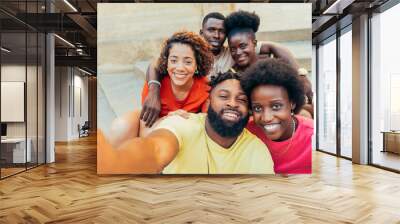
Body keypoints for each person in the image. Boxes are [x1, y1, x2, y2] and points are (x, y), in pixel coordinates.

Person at [141, 12, 302, 127]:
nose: (216, 35)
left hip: (214, 105)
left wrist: (301, 75)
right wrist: (154, 90)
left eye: (221, 31)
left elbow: (272, 46)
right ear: (202, 32)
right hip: (194, 106)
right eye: (211, 30)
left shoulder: (233, 52)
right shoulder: (192, 51)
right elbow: (156, 62)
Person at [98, 71, 275, 174]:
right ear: (208, 102)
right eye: (223, 96)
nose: (232, 103)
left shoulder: (256, 151)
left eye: (242, 100)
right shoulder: (183, 124)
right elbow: (156, 149)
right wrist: (118, 160)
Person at [108, 31, 213, 146]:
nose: (180, 68)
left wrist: (185, 120)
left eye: (188, 62)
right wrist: (169, 120)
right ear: (166, 62)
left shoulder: (205, 88)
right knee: (120, 127)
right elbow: (145, 134)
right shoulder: (156, 85)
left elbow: (207, 128)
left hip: (185, 138)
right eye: (173, 61)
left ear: (196, 64)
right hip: (155, 132)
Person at [225, 10, 314, 118]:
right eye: (233, 49)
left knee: (305, 113)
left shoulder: (270, 65)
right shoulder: (233, 74)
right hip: (255, 117)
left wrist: (301, 75)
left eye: (243, 46)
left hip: (279, 113)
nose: (238, 53)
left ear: (255, 44)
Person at [241, 59, 314, 174]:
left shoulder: (313, 136)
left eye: (276, 106)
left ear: (292, 103)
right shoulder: (246, 132)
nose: (266, 118)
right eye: (258, 108)